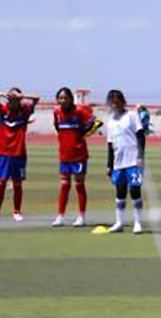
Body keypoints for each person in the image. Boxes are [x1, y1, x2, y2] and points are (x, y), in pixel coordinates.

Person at [0, 88, 40, 221]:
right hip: (4, 152)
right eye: (10, 96)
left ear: (20, 98)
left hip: (19, 153)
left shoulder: (25, 111)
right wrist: (1, 94)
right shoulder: (3, 109)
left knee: (17, 184)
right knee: (0, 183)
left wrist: (23, 95)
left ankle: (17, 212)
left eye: (15, 96)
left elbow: (37, 98)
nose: (12, 99)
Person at [52, 87, 101, 227]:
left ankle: (81, 216)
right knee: (64, 186)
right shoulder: (56, 112)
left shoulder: (79, 111)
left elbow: (94, 122)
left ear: (71, 99)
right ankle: (60, 216)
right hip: (64, 155)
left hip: (79, 155)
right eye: (60, 98)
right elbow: (57, 127)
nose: (62, 100)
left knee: (79, 185)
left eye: (65, 98)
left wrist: (82, 135)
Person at [105, 89, 146, 234]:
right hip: (118, 162)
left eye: (117, 102)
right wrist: (109, 165)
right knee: (120, 193)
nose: (115, 105)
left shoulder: (132, 116)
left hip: (133, 160)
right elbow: (110, 145)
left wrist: (140, 156)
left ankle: (138, 223)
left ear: (123, 102)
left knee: (135, 191)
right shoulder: (110, 122)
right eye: (112, 103)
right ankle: (119, 223)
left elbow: (141, 136)